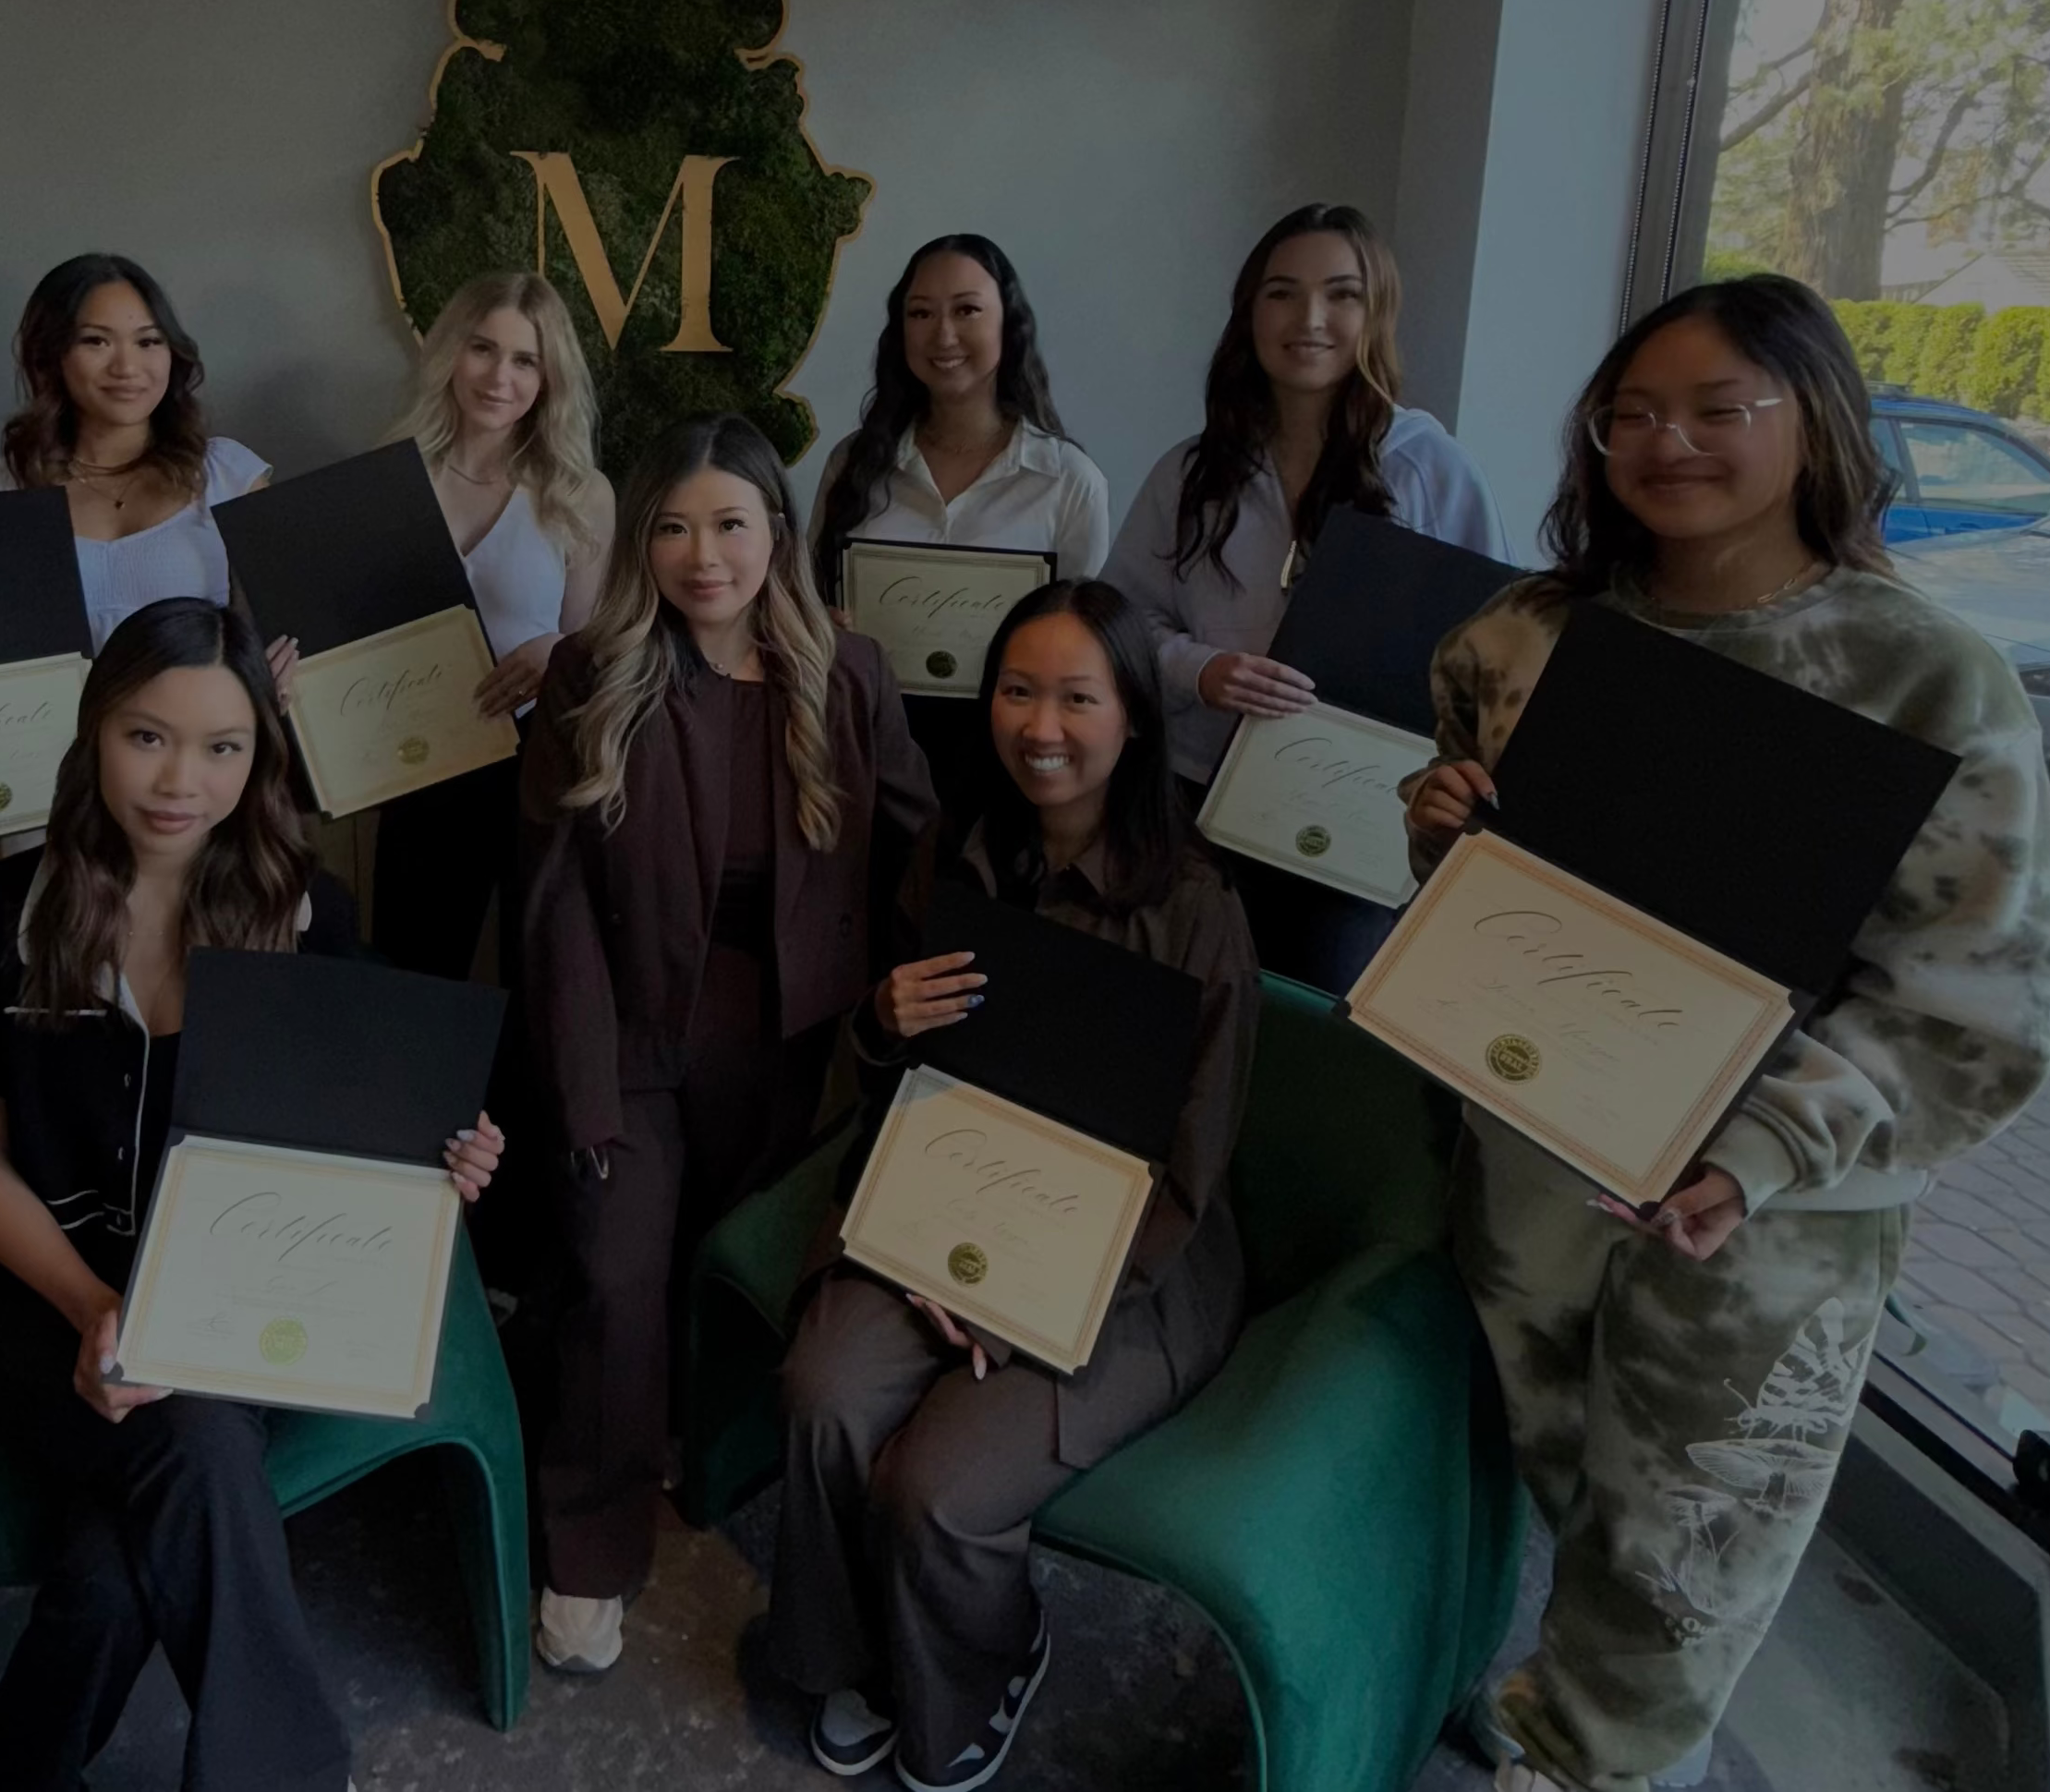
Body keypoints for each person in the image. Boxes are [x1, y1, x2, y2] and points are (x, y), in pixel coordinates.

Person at [1402, 276, 2050, 1792]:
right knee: (1549, 1469)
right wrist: (1437, 825)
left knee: (1679, 1557)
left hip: (1751, 1225)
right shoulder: (1522, 636)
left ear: (1808, 419)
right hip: (1532, 1155)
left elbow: (1967, 1008)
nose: (1663, 442)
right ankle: (1544, 1720)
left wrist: (1763, 1150)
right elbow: (1479, 868)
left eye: (1713, 410)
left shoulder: (1923, 678)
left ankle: (1594, 1765)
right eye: (1628, 413)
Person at [0, 597, 505, 1792]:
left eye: (222, 746)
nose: (183, 778)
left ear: (259, 755)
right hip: (29, 1296)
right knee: (189, 1436)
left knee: (112, 1559)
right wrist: (90, 1308)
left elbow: (371, 1147)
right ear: (94, 733)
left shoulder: (305, 919)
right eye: (148, 736)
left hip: (233, 1301)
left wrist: (449, 1162)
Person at [766, 578, 1256, 1791]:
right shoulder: (958, 853)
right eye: (1017, 690)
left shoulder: (1199, 913)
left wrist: (1017, 1292)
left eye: (1078, 696)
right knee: (823, 1387)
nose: (1041, 724)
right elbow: (899, 1076)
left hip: (1126, 1258)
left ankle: (985, 1661)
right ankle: (846, 1651)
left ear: (1135, 716)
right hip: (942, 1193)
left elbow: (1186, 1171)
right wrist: (882, 1017)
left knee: (937, 1485)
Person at [521, 413, 937, 1677]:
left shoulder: (848, 673)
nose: (704, 554)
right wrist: (585, 1083)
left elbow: (918, 846)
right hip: (635, 1030)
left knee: (742, 1269)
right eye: (674, 525)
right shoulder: (592, 675)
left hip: (795, 1037)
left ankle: (714, 1455)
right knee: (613, 1275)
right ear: (642, 537)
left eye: (731, 524)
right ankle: (588, 1544)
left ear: (777, 534)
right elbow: (549, 903)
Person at [1098, 201, 1502, 992]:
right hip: (1197, 800)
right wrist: (1199, 669)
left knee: (1317, 1020)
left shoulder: (1431, 468)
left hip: (1361, 819)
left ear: (1376, 311)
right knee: (1184, 1008)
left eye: (1342, 294)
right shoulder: (1190, 472)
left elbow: (1499, 649)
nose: (1310, 318)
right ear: (1249, 311)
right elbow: (1117, 621)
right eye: (1282, 292)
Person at [368, 271, 613, 981]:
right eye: (483, 348)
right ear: (451, 353)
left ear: (549, 376)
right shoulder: (389, 480)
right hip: (418, 764)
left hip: (537, 765)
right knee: (412, 974)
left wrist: (556, 653)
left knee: (533, 979)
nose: (499, 376)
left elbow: (599, 651)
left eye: (525, 359)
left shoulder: (580, 494)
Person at [813, 235, 1109, 811]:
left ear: (1009, 324)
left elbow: (1085, 644)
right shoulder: (852, 466)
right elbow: (805, 598)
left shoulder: (1068, 481)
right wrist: (819, 624)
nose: (942, 334)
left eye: (967, 310)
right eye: (920, 313)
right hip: (864, 750)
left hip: (1008, 767)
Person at [0, 252, 272, 652]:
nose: (127, 367)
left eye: (148, 341)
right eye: (96, 341)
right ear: (50, 356)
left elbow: (279, 633)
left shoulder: (229, 475)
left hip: (206, 714)